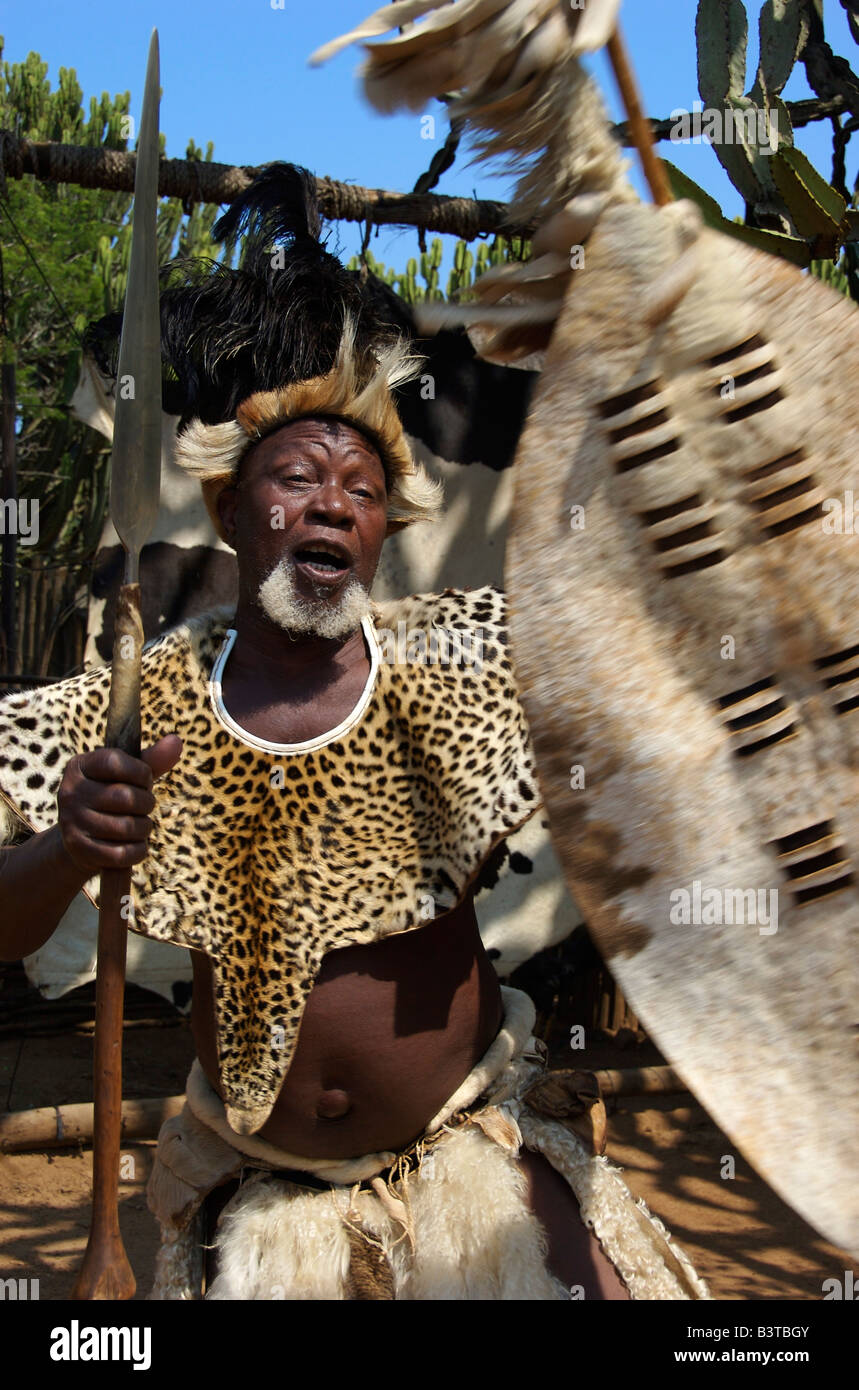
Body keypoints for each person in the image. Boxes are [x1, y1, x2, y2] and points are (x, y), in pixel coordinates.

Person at [0, 167, 707, 1301]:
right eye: (297, 476)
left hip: (464, 1151)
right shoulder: (146, 701)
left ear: (385, 529)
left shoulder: (467, 661)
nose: (332, 501)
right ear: (231, 513)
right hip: (259, 1188)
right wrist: (68, 848)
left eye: (361, 486)